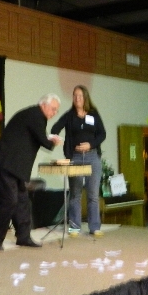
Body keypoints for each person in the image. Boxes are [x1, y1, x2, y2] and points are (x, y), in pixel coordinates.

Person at [0, 94, 63, 251]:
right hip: (6, 164)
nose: (54, 113)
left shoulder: (34, 115)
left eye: (56, 110)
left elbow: (35, 136)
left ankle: (23, 236)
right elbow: (44, 141)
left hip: (15, 167)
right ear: (44, 105)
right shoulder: (36, 115)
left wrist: (48, 139)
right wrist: (53, 141)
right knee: (9, 201)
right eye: (53, 109)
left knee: (22, 202)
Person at [51, 85, 107, 237]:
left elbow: (102, 134)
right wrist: (56, 139)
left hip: (92, 156)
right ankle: (74, 227)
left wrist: (91, 144)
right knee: (75, 194)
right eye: (75, 95)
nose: (77, 98)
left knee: (93, 194)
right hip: (75, 157)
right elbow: (55, 128)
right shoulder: (69, 115)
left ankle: (94, 227)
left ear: (85, 97)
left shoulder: (93, 114)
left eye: (80, 96)